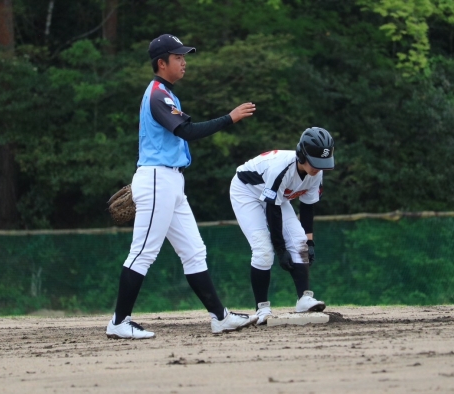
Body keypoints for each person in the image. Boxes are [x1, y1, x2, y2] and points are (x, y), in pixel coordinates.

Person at [106, 34, 257, 339]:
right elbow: (186, 131)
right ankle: (119, 322)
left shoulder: (166, 94)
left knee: (194, 251)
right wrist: (229, 118)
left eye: (183, 56)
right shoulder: (157, 95)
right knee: (143, 253)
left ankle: (220, 317)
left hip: (171, 181)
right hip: (157, 180)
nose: (184, 61)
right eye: (178, 57)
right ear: (161, 63)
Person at [229, 127, 335, 325]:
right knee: (263, 250)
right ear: (301, 155)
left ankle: (304, 299)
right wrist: (281, 250)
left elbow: (307, 208)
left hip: (274, 197)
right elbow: (273, 210)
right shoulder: (282, 168)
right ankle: (262, 309)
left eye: (322, 163)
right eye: (315, 162)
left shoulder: (316, 173)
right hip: (247, 191)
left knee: (300, 242)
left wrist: (310, 243)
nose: (318, 168)